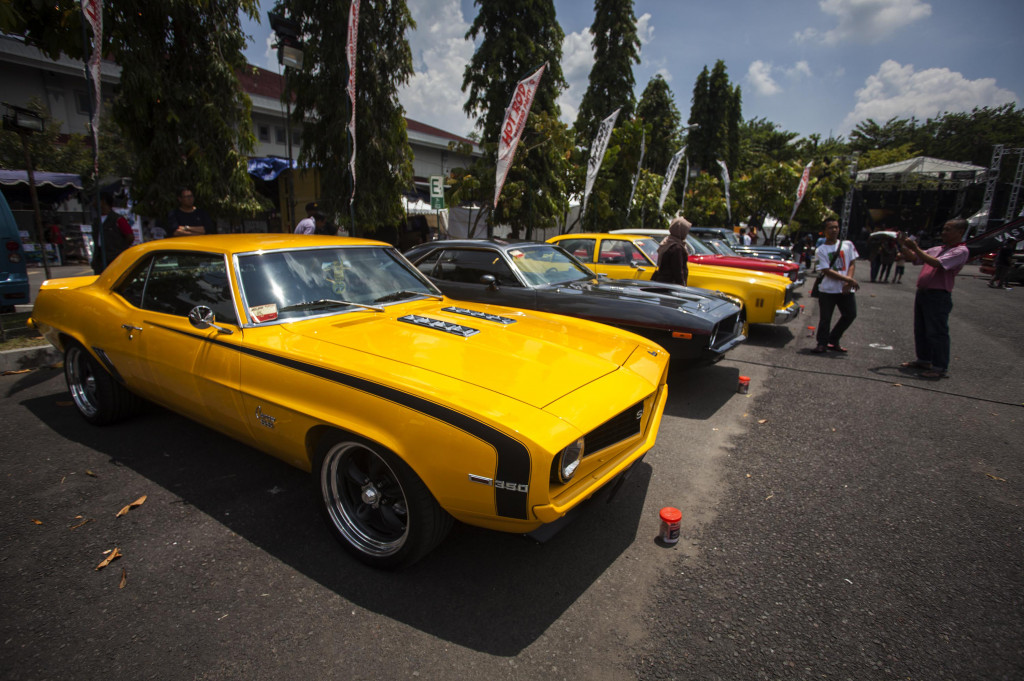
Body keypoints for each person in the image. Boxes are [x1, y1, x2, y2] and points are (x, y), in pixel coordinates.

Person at [896, 218, 969, 379]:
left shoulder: (960, 251)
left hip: (939, 295)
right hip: (923, 292)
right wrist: (904, 245)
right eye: (943, 229)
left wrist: (915, 247)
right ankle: (924, 359)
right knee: (921, 328)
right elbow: (914, 258)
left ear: (960, 232)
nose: (944, 232)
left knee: (937, 331)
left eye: (948, 230)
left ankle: (939, 366)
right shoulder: (938, 248)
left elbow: (937, 264)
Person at [811, 218, 859, 354]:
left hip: (846, 289)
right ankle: (822, 343)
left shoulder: (848, 245)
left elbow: (852, 263)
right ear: (824, 231)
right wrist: (848, 279)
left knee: (850, 314)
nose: (834, 230)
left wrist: (848, 281)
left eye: (836, 227)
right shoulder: (821, 250)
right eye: (831, 228)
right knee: (825, 318)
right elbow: (826, 270)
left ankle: (834, 339)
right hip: (828, 290)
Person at [92, 192, 135, 274]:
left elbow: (130, 237)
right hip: (100, 259)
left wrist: (119, 248)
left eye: (95, 200)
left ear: (103, 202)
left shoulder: (118, 219)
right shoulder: (96, 221)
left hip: (114, 258)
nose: (93, 203)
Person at [652, 216, 691, 285]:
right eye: (685, 230)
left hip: (663, 282)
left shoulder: (668, 242)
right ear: (681, 231)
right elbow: (677, 270)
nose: (686, 233)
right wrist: (681, 285)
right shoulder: (676, 248)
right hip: (671, 285)